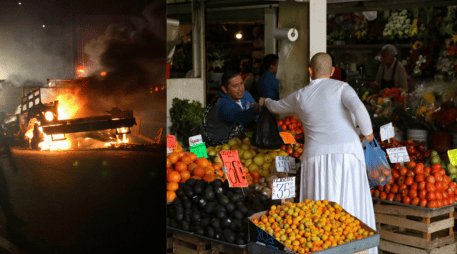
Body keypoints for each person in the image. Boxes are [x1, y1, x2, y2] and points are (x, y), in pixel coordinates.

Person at [264, 53, 377, 254]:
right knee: (352, 202)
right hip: (348, 155)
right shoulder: (342, 87)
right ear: (332, 72)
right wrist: (368, 137)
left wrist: (264, 102)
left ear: (310, 71)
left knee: (320, 208)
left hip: (316, 160)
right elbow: (360, 109)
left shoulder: (300, 95)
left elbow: (276, 106)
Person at [200, 70, 260, 146]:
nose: (240, 89)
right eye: (235, 86)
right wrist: (255, 111)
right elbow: (240, 116)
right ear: (225, 89)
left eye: (241, 83)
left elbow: (258, 116)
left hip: (230, 145)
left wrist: (278, 131)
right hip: (211, 146)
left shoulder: (245, 95)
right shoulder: (223, 103)